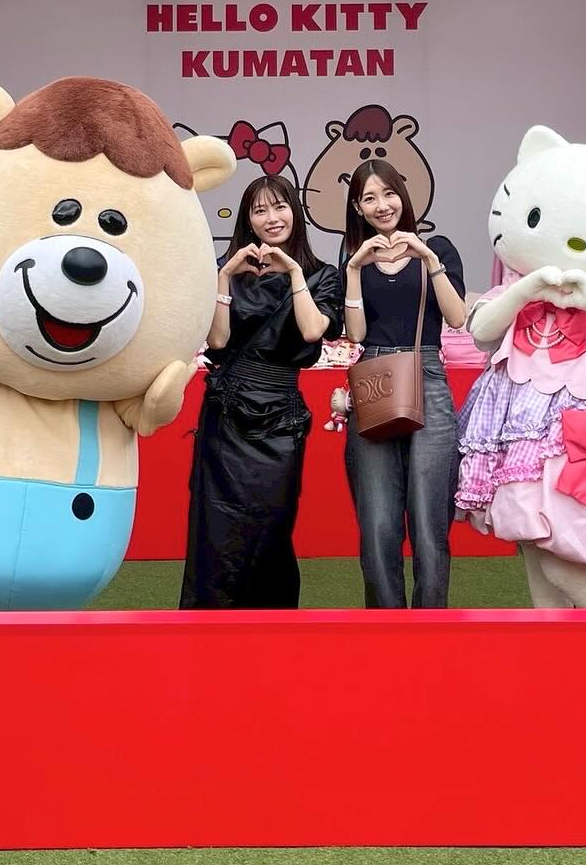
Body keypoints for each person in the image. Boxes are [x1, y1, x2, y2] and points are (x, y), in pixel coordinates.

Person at [180, 176, 342, 609]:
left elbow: (312, 330)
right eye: (260, 210)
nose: (272, 218)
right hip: (226, 414)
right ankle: (209, 629)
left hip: (281, 417)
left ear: (295, 211)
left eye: (280, 206)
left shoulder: (322, 275)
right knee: (216, 527)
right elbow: (217, 341)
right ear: (248, 220)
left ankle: (271, 629)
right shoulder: (226, 270)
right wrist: (223, 276)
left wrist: (294, 272)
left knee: (273, 525)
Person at [341, 162, 467, 607]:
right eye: (369, 198)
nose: (382, 205)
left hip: (427, 374)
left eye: (388, 193)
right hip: (374, 375)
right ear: (357, 208)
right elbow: (356, 333)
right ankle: (384, 626)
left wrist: (428, 260)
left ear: (403, 195)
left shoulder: (438, 248)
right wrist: (353, 269)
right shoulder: (355, 259)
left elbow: (456, 317)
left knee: (430, 519)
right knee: (377, 522)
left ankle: (430, 625)